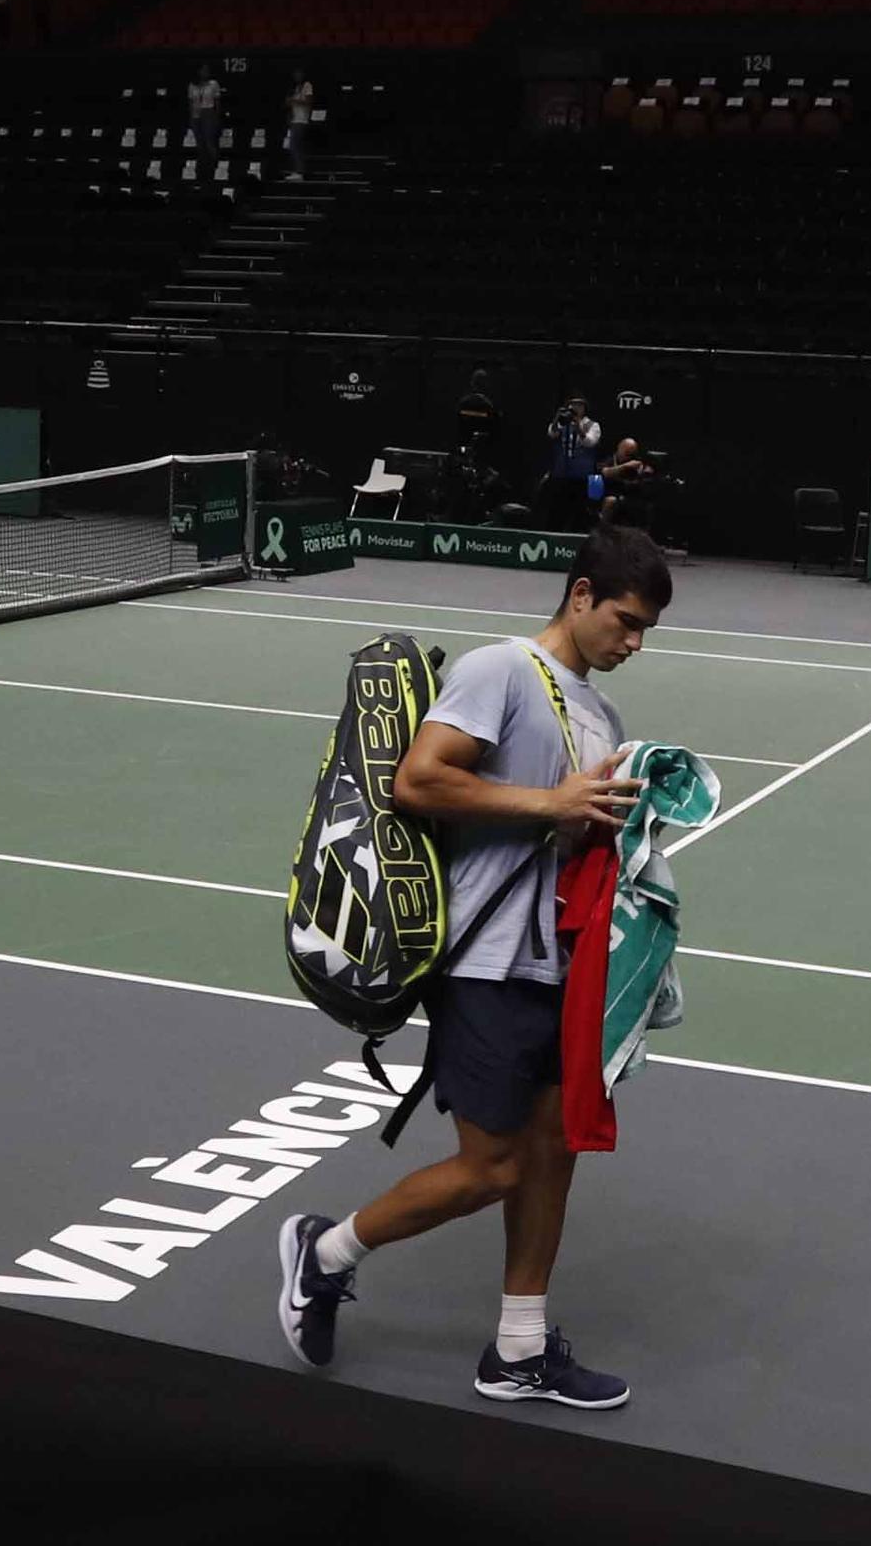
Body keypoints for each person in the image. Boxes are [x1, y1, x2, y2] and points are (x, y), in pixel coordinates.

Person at [278, 525, 674, 1407]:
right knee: (492, 1167)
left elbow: (569, 824)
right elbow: (420, 781)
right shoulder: (500, 670)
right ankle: (326, 1252)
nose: (635, 643)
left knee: (553, 1153)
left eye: (647, 629)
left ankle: (520, 1350)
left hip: (563, 967)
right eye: (625, 620)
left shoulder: (601, 714)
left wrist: (618, 826)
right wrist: (552, 801)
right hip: (487, 962)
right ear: (579, 595)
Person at [541, 392, 601, 532]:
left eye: (579, 405)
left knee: (579, 513)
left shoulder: (593, 425)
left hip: (582, 476)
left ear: (584, 407)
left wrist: (577, 423)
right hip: (561, 473)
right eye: (573, 404)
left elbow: (589, 442)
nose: (575, 407)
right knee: (556, 511)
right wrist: (557, 417)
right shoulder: (562, 424)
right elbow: (552, 433)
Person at [455, 367, 499, 458]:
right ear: (486, 384)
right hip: (483, 451)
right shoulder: (488, 405)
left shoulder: (463, 402)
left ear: (472, 383)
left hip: (463, 447)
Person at [188, 62, 223, 166]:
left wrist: (216, 116)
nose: (206, 72)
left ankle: (215, 165)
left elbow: (217, 102)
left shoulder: (214, 84)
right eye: (204, 70)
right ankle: (202, 165)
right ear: (199, 72)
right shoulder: (192, 85)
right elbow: (190, 102)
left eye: (207, 70)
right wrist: (191, 117)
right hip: (195, 114)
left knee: (209, 141)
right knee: (199, 142)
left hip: (208, 113)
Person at [285, 67, 314, 179]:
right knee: (294, 146)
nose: (296, 76)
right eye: (295, 74)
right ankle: (298, 171)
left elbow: (309, 101)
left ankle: (299, 172)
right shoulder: (297, 88)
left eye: (298, 73)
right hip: (295, 119)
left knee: (294, 146)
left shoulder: (307, 85)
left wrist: (293, 101)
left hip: (302, 120)